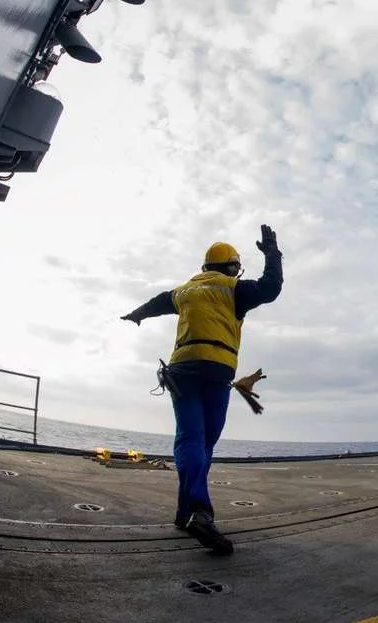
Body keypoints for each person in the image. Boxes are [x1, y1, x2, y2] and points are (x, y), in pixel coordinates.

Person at [121, 225, 283, 555]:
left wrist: (136, 315)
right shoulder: (235, 289)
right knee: (204, 442)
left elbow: (156, 302)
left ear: (205, 267)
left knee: (191, 440)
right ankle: (201, 511)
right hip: (216, 371)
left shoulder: (185, 291)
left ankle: (186, 513)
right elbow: (271, 287)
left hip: (182, 370)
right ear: (232, 267)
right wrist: (272, 252)